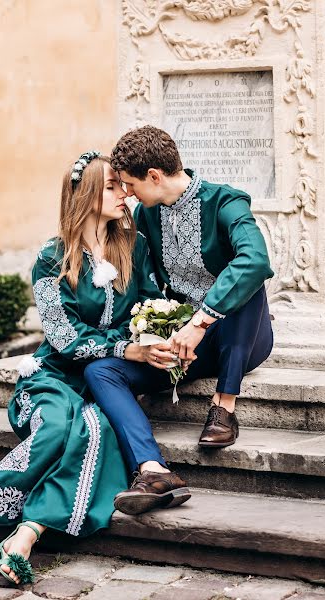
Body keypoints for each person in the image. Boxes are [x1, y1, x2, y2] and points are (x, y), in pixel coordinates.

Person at [0, 150, 189, 586]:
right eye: (111, 186)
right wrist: (127, 349)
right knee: (58, 428)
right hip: (52, 379)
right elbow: (64, 336)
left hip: (101, 384)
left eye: (123, 186)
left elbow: (145, 305)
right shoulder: (51, 258)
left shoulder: (135, 246)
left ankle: (24, 539)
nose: (124, 193)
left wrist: (153, 338)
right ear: (85, 194)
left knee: (97, 433)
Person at [84, 126, 274, 514]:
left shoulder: (226, 202)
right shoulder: (147, 217)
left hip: (241, 338)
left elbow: (256, 260)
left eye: (132, 184)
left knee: (246, 282)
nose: (129, 193)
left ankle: (224, 406)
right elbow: (150, 286)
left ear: (155, 176)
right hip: (184, 344)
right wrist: (156, 337)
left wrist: (200, 321)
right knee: (101, 372)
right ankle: (153, 469)